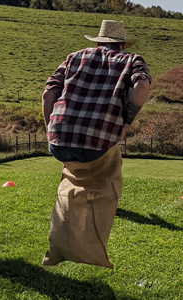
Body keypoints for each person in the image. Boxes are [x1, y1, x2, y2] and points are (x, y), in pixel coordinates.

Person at [41, 20, 151, 268]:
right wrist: (127, 121)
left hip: (60, 141)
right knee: (106, 187)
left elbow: (48, 92)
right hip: (98, 142)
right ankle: (89, 250)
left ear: (99, 40)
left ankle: (56, 250)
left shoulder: (74, 57)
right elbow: (141, 86)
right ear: (122, 43)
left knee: (71, 181)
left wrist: (49, 126)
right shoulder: (131, 60)